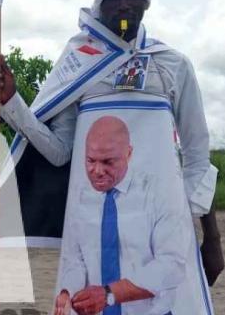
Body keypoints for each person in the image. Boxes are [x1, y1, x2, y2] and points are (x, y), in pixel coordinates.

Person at [0, 0, 224, 286]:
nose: (124, 4)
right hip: (93, 222)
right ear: (99, 5)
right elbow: (59, 153)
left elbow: (197, 155)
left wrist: (212, 239)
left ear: (146, 3)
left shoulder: (173, 64)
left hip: (160, 223)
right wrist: (11, 101)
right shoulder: (78, 62)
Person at [54, 116, 204, 315]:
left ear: (129, 153)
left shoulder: (159, 195)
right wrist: (67, 292)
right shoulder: (80, 199)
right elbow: (76, 260)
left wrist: (110, 294)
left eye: (108, 162)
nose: (97, 171)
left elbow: (170, 265)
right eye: (90, 161)